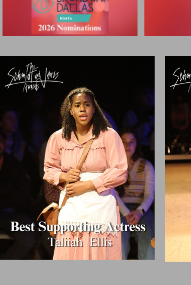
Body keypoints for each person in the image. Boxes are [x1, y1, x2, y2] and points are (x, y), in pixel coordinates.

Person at [43, 87, 128, 260]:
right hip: (72, 204)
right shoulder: (57, 138)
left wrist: (88, 185)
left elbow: (120, 171)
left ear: (94, 108)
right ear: (70, 110)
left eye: (87, 104)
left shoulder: (109, 136)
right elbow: (49, 169)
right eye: (77, 105)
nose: (82, 109)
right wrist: (64, 177)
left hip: (101, 203)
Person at [114, 132, 155, 260]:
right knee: (119, 235)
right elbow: (112, 193)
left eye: (132, 141)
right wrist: (126, 213)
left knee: (147, 234)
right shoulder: (113, 166)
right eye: (124, 141)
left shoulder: (146, 165)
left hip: (141, 208)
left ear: (137, 144)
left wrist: (139, 212)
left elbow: (149, 194)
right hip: (119, 208)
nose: (128, 145)